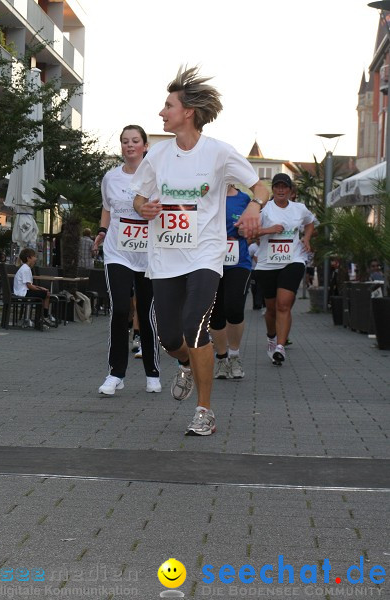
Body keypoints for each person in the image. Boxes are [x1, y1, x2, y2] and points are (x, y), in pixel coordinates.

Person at [133, 65, 269, 436]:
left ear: (187, 112)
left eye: (168, 105)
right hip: (164, 256)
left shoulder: (219, 153)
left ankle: (204, 410)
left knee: (196, 326)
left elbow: (260, 186)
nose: (162, 112)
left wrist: (255, 207)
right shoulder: (157, 156)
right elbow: (140, 198)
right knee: (169, 338)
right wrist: (143, 207)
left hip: (205, 255)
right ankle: (186, 365)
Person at [94, 125, 161, 395]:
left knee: (146, 312)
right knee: (120, 309)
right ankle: (115, 373)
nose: (129, 145)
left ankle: (152, 372)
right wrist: (101, 231)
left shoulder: (156, 178)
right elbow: (107, 209)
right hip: (117, 252)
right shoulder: (111, 178)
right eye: (125, 141)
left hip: (148, 255)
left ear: (145, 146)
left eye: (135, 141)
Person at [254, 173, 316, 366]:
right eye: (277, 187)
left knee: (283, 304)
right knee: (271, 308)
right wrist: (267, 230)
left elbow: (310, 222)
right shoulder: (264, 209)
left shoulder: (299, 209)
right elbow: (247, 232)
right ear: (273, 189)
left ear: (290, 190)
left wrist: (306, 238)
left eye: (284, 187)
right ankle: (272, 337)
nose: (281, 190)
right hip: (267, 263)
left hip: (293, 260)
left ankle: (280, 347)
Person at [211, 185, 254, 380]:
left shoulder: (244, 199)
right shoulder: (206, 195)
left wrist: (248, 231)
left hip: (238, 261)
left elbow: (254, 228)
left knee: (234, 308)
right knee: (215, 313)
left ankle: (234, 355)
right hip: (211, 260)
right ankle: (221, 358)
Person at [13, 248, 54, 327]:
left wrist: (41, 288)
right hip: (23, 293)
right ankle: (44, 317)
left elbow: (29, 284)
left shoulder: (25, 268)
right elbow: (29, 286)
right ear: (28, 258)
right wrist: (41, 290)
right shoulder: (26, 269)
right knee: (46, 294)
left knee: (44, 293)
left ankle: (41, 317)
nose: (36, 259)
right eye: (34, 256)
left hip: (22, 291)